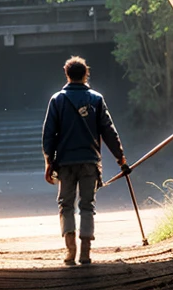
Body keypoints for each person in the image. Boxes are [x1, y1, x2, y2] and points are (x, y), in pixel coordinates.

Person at [42, 56, 129, 265]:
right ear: (86, 73)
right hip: (90, 161)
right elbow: (109, 132)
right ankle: (85, 253)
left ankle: (70, 251)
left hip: (65, 163)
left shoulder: (57, 100)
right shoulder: (96, 99)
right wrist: (121, 159)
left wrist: (49, 162)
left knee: (66, 205)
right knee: (88, 205)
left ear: (66, 73)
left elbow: (48, 135)